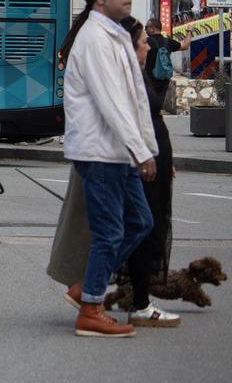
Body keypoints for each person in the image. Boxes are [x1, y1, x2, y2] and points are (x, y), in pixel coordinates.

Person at [57, 0, 156, 338]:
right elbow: (113, 102)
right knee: (110, 232)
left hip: (117, 151)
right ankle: (91, 309)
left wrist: (142, 148)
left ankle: (87, 285)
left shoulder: (114, 35)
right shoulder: (96, 39)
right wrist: (140, 150)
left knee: (140, 222)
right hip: (100, 151)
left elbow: (135, 101)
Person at [124, 16, 180, 327]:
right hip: (145, 162)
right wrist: (146, 156)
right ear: (131, 48)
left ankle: (137, 297)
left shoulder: (138, 74)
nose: (148, 45)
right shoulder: (129, 78)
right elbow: (136, 121)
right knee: (144, 226)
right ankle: (137, 300)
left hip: (154, 158)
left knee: (146, 226)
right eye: (144, 41)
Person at [145, 18, 190, 101]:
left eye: (146, 27)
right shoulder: (168, 42)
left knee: (149, 104)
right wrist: (189, 31)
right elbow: (185, 45)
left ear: (152, 28)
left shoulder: (147, 41)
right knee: (159, 103)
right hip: (164, 79)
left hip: (149, 79)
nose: (145, 30)